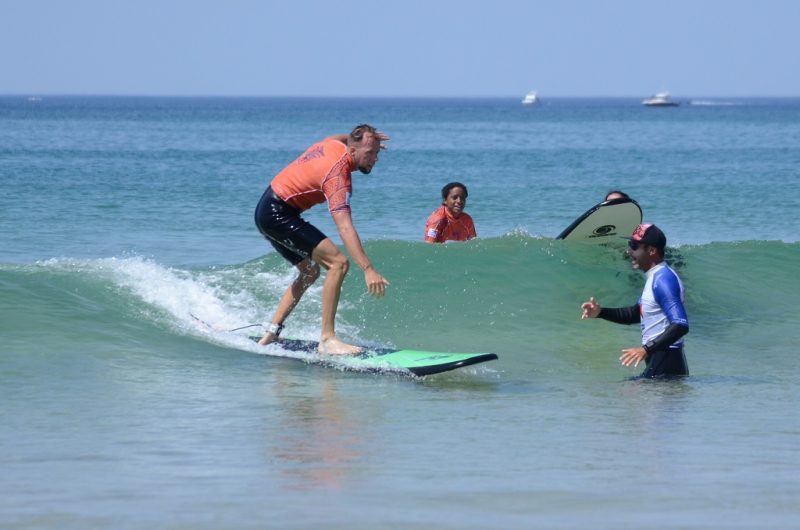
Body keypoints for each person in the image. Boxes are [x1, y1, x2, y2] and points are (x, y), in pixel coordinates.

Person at [254, 124, 390, 355]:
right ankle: (327, 339)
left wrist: (366, 140)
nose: (375, 158)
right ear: (353, 150)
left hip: (267, 209)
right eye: (370, 153)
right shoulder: (338, 175)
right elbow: (345, 227)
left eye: (377, 152)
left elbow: (337, 137)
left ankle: (270, 333)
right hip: (277, 213)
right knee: (338, 263)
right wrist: (368, 268)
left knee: (310, 271)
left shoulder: (334, 145)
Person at [580, 223, 689, 378]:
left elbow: (680, 324)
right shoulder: (654, 278)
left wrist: (646, 349)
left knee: (625, 394)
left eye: (634, 246)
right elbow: (637, 313)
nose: (629, 251)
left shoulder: (664, 280)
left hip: (667, 363)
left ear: (651, 251)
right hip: (661, 362)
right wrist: (600, 312)